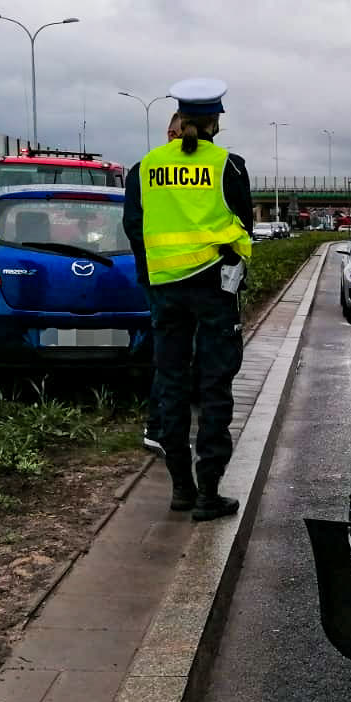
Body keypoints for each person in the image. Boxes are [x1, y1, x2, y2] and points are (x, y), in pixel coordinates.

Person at [123, 79, 254, 521]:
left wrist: (152, 279)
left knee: (173, 387)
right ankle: (209, 491)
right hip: (215, 289)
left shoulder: (143, 169)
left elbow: (134, 228)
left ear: (179, 120)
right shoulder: (228, 166)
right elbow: (244, 226)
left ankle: (181, 487)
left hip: (165, 291)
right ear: (214, 121)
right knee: (215, 387)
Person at [142, 112, 183, 455]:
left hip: (188, 283)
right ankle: (158, 427)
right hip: (164, 284)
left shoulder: (199, 174)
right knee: (170, 361)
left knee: (177, 360)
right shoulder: (148, 170)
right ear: (171, 133)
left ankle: (165, 426)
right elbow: (133, 226)